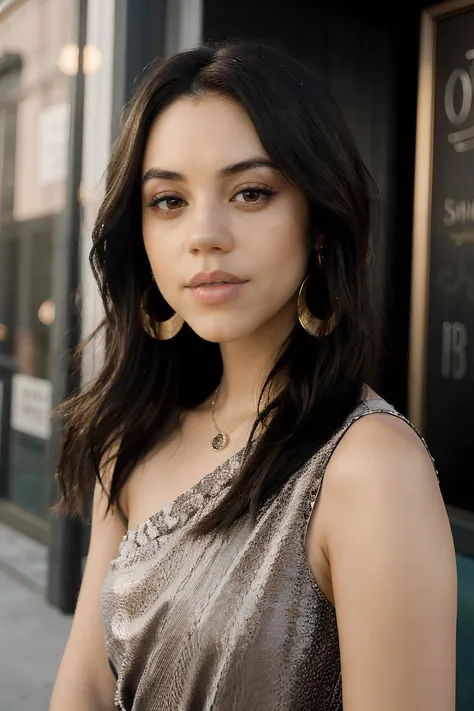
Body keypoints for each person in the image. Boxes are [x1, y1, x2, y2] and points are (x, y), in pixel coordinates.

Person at [49, 40, 457, 711]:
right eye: (169, 200)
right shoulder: (133, 438)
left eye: (251, 191)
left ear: (318, 222)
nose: (204, 233)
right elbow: (87, 686)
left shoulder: (369, 468)